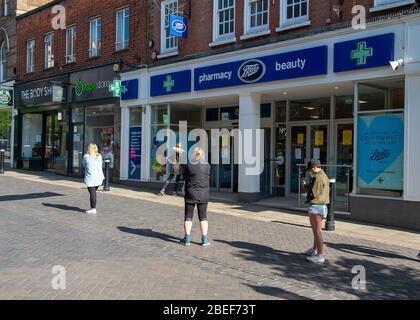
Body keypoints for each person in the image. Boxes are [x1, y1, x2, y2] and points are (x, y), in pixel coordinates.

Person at [180, 147, 211, 247]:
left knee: (188, 216)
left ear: (194, 154)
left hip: (190, 193)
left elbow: (184, 177)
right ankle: (204, 239)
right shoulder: (207, 166)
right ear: (203, 155)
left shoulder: (189, 165)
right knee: (203, 217)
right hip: (203, 194)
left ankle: (187, 238)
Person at [301, 159, 330, 264]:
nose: (310, 171)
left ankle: (320, 255)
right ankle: (314, 249)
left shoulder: (318, 177)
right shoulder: (323, 175)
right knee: (316, 231)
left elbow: (313, 192)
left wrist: (305, 186)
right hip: (320, 206)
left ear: (314, 167)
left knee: (317, 232)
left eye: (310, 169)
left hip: (316, 206)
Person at [82, 143, 105, 215]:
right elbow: (101, 164)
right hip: (99, 178)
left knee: (92, 193)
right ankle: (93, 207)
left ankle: (93, 208)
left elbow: (84, 164)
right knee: (93, 192)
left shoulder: (86, 156)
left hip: (91, 178)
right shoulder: (99, 156)